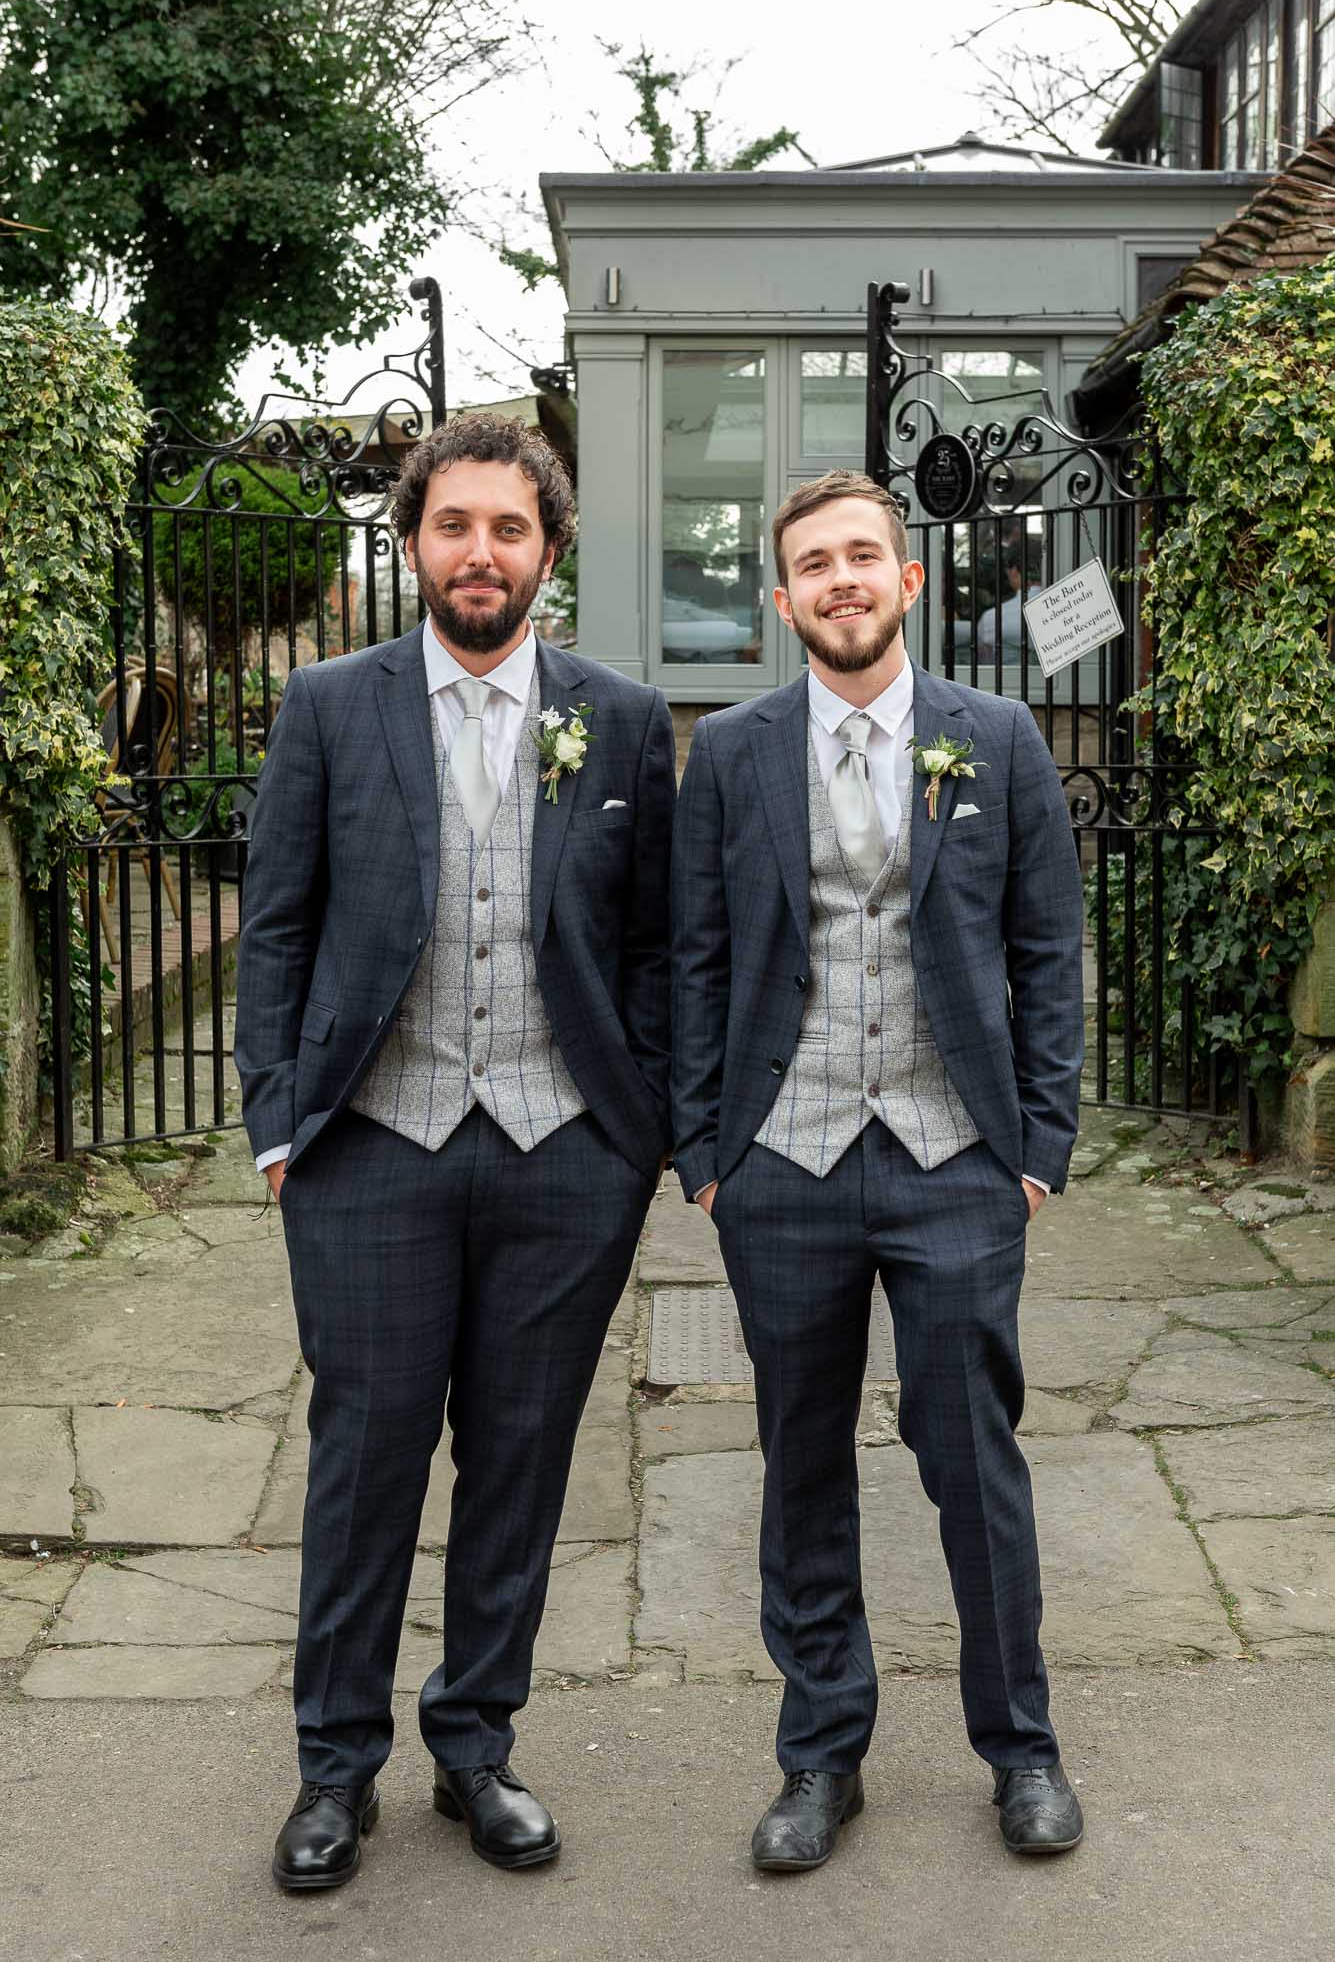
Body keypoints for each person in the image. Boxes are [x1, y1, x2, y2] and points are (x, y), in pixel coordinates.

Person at [234, 412, 675, 1892]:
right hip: (371, 1146)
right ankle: (334, 1770)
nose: (478, 553)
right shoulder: (329, 706)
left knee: (522, 1462)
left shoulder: (618, 716)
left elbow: (658, 944)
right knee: (364, 1462)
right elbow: (278, 925)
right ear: (414, 539)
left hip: (566, 1158)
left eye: (508, 529)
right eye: (453, 525)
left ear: (548, 551)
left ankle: (476, 1743)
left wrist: (639, 1136)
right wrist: (278, 1124)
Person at [670, 468, 1086, 1873]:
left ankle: (1020, 1748)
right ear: (781, 600)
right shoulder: (728, 751)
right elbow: (696, 956)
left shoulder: (1000, 738)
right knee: (801, 1469)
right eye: (814, 565)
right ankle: (819, 1756)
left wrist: (1036, 1144)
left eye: (866, 557)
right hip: (778, 1165)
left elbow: (1046, 950)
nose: (843, 581)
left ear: (910, 582)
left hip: (955, 1158)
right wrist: (707, 1149)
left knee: (974, 1462)